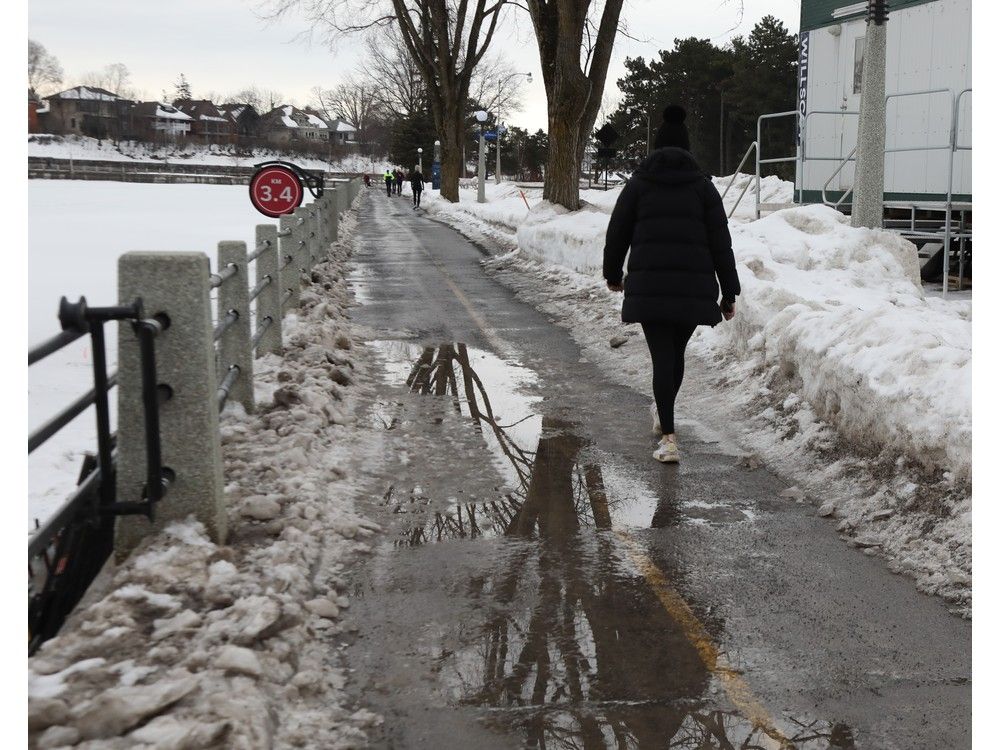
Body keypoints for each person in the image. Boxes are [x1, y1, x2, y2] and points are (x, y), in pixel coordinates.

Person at [602, 104, 740, 464]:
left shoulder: (638, 186)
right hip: (694, 291)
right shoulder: (704, 189)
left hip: (650, 287)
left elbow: (617, 232)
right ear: (687, 150)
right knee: (674, 356)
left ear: (655, 149)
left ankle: (669, 437)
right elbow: (720, 242)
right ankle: (664, 419)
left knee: (663, 357)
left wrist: (613, 274)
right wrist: (729, 292)